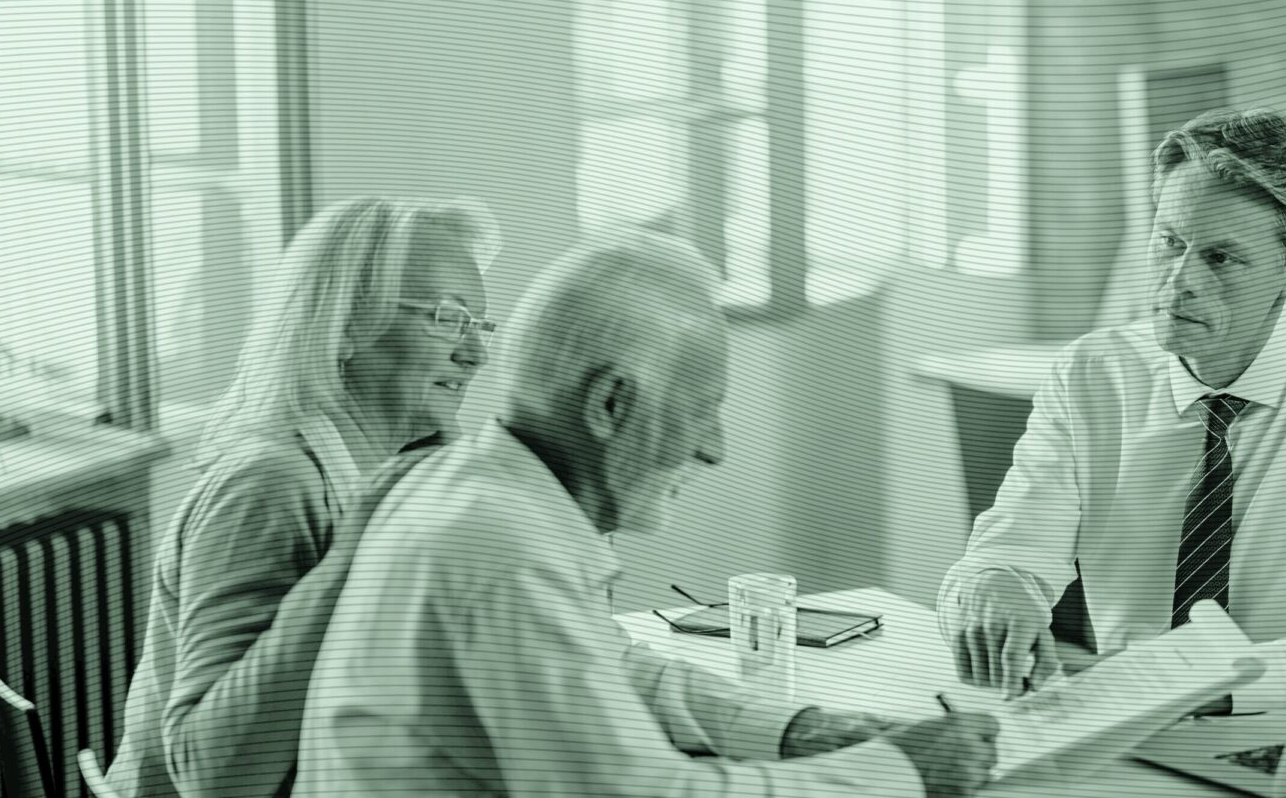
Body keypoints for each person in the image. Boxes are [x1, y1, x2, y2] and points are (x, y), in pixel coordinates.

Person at [294, 232, 999, 798]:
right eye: (702, 412)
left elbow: (605, 662)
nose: (715, 450)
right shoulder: (501, 545)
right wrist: (903, 772)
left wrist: (801, 729)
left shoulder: (469, 483)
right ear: (609, 405)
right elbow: (636, 788)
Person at [938, 108, 1286, 714]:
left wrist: (1190, 683)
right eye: (1170, 242)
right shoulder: (1092, 374)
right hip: (1127, 728)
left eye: (1220, 258)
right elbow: (1003, 556)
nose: (1178, 281)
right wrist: (991, 591)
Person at [107, 196, 501, 798]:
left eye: (480, 325)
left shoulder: (390, 466)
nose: (475, 354)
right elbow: (213, 777)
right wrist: (360, 558)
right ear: (344, 325)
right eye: (447, 318)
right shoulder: (270, 485)